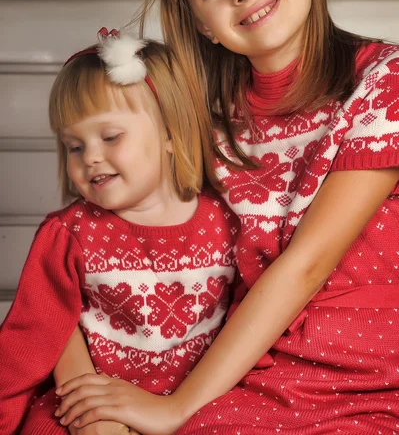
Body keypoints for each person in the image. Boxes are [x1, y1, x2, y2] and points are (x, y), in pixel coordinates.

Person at [50, 0, 399, 435]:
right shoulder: (209, 118)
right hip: (247, 360)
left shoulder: (382, 81)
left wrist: (173, 408)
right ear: (202, 25)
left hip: (365, 366)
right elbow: (94, 238)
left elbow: (307, 264)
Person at [0, 28, 239, 435]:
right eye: (74, 146)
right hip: (91, 404)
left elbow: (247, 320)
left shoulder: (227, 221)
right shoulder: (70, 233)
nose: (90, 157)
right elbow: (32, 337)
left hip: (195, 402)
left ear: (170, 132)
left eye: (110, 137)